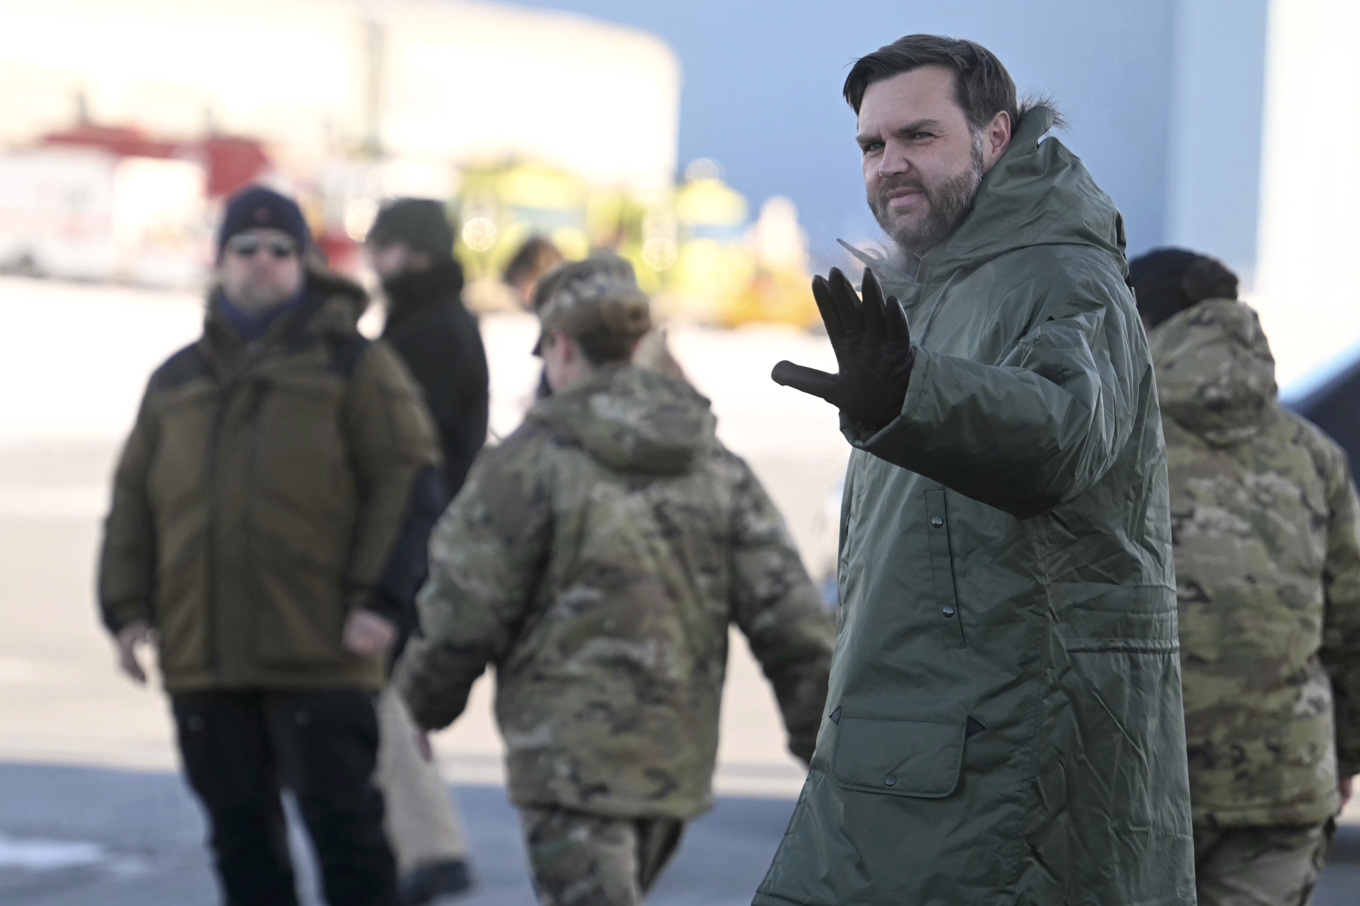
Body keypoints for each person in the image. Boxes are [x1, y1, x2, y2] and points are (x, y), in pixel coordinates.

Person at [758, 35, 1196, 904]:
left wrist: (910, 400)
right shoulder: (939, 286)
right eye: (872, 146)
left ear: (996, 137)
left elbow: (1063, 434)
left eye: (919, 137)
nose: (890, 165)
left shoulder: (1060, 274)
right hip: (919, 756)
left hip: (1007, 768)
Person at [395, 255, 836, 906]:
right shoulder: (713, 462)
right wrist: (825, 752)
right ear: (639, 343)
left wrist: (419, 707)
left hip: (564, 767)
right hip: (673, 767)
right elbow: (792, 620)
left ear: (561, 346)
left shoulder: (526, 463)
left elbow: (464, 607)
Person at [98, 185, 444, 906]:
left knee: (346, 836)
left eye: (280, 250)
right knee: (240, 841)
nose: (262, 262)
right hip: (205, 653)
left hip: (321, 650)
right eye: (245, 249)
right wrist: (126, 609)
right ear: (220, 260)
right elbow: (133, 501)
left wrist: (381, 600)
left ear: (305, 262)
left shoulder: (354, 365)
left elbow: (408, 482)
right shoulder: (176, 379)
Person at [1131, 248, 1360, 906]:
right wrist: (1343, 757)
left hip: (1138, 784)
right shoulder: (1313, 454)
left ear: (1137, 322)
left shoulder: (1110, 442)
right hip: (1284, 783)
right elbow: (1352, 626)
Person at [363, 197, 487, 903]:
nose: (376, 260)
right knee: (390, 696)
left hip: (415, 536)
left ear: (419, 254)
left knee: (383, 699)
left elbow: (408, 454)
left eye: (387, 247)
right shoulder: (428, 321)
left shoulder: (427, 331)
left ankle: (429, 848)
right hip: (430, 532)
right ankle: (417, 845)